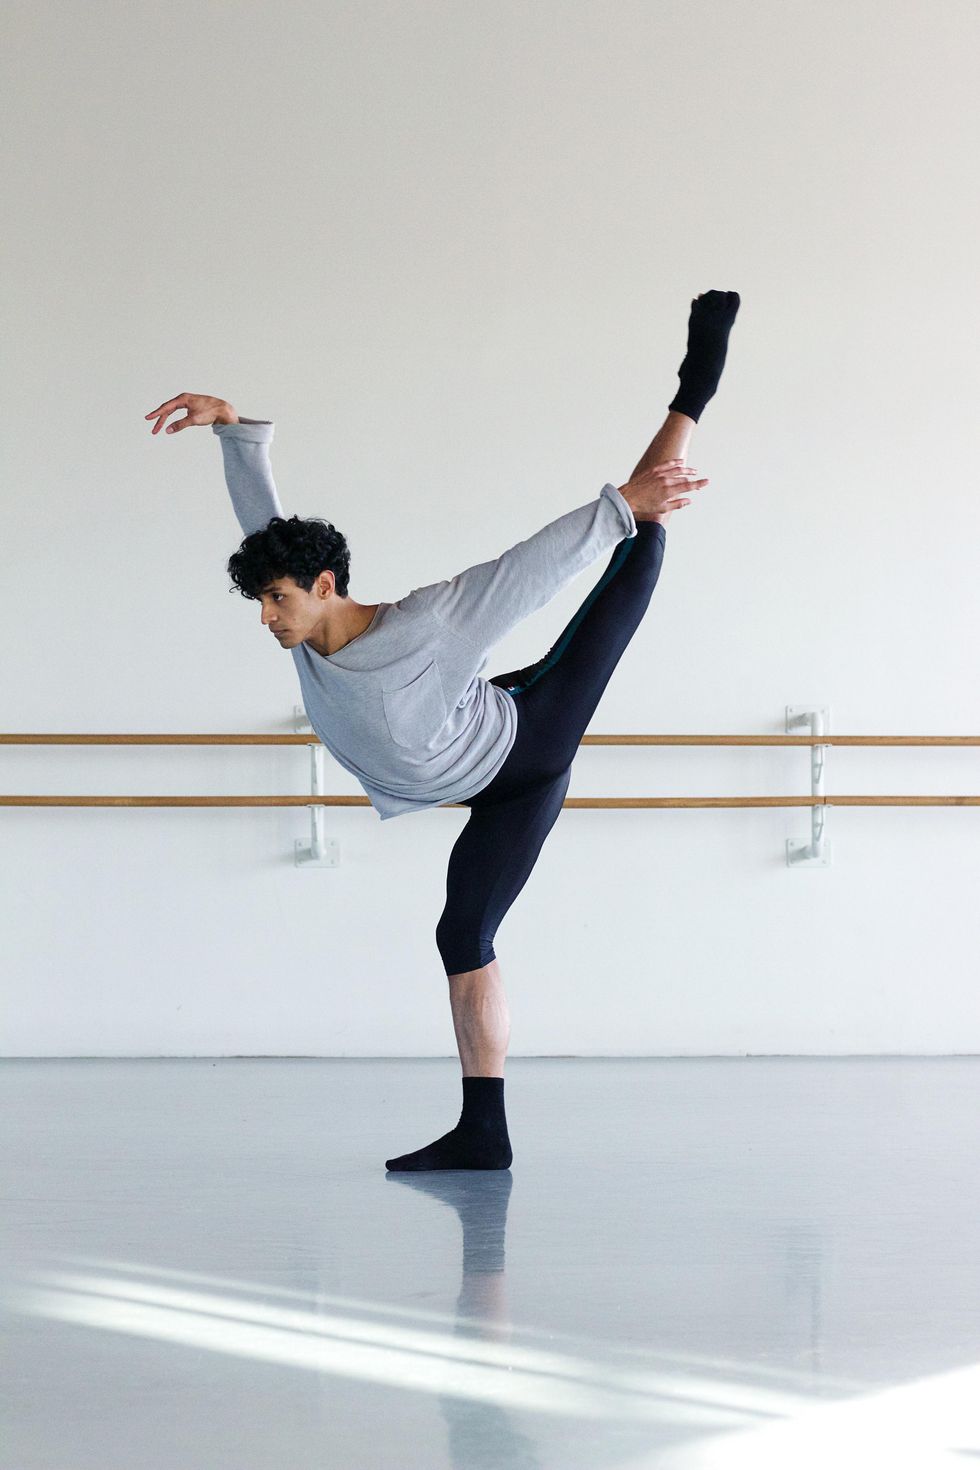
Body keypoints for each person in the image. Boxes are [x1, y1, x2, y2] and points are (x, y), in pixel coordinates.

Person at [145, 288, 740, 1172]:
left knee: (634, 557)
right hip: (459, 747)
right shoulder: (306, 634)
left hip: (524, 750)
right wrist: (232, 424)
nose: (268, 618)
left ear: (327, 582)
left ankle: (692, 391)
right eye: (262, 602)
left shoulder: (430, 623)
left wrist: (622, 501)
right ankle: (484, 1136)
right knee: (460, 938)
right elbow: (263, 524)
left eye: (278, 598)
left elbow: (527, 572)